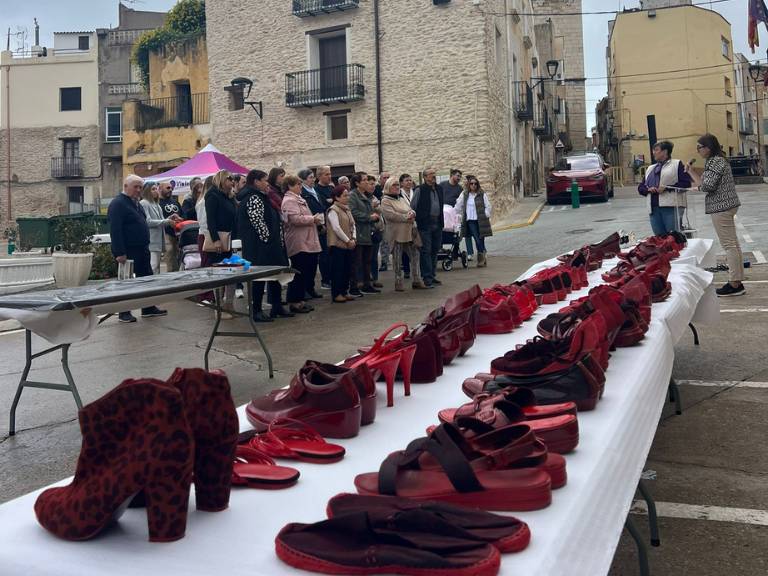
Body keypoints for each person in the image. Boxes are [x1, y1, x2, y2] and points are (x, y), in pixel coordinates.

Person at [687, 134, 746, 297]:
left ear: (708, 147)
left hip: (722, 207)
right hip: (726, 205)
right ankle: (737, 281)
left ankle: (735, 283)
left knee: (729, 245)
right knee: (733, 244)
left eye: (699, 147)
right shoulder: (715, 161)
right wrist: (691, 172)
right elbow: (703, 183)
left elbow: (707, 186)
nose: (698, 151)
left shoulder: (715, 162)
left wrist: (697, 189)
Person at [108, 175, 168, 323]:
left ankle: (148, 308)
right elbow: (115, 230)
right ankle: (124, 312)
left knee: (146, 279)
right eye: (136, 187)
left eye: (140, 187)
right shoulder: (118, 204)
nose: (139, 190)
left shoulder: (136, 203)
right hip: (128, 250)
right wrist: (119, 252)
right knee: (126, 283)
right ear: (126, 186)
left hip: (142, 248)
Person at [237, 169, 294, 321]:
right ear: (256, 182)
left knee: (274, 275)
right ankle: (256, 310)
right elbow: (258, 222)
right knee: (259, 279)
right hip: (260, 246)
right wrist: (268, 239)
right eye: (264, 180)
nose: (267, 183)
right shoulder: (253, 198)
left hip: (270, 244)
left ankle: (277, 306)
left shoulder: (262, 196)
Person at [282, 175, 322, 313]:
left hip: (306, 239)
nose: (300, 186)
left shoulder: (298, 199)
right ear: (290, 186)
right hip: (298, 241)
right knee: (298, 272)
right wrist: (313, 218)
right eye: (298, 184)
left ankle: (300, 299)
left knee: (305, 271)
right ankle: (294, 301)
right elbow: (294, 219)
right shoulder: (288, 201)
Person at [638, 140, 692, 236]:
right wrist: (648, 190)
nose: (653, 152)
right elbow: (641, 187)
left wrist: (667, 188)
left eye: (656, 150)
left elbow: (686, 183)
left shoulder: (676, 164)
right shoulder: (651, 168)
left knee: (674, 237)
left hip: (671, 207)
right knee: (659, 238)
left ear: (665, 151)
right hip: (653, 208)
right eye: (653, 150)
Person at [381, 176, 426, 291]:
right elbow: (390, 215)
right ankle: (398, 281)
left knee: (415, 255)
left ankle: (416, 279)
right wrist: (406, 217)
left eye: (397, 185)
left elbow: (409, 208)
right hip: (396, 233)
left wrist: (412, 213)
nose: (397, 187)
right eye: (394, 185)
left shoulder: (400, 197)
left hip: (409, 232)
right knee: (397, 258)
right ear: (388, 187)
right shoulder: (385, 200)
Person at [204, 170, 238, 316]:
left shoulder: (230, 196)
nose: (232, 182)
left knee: (233, 273)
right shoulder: (212, 195)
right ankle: (219, 307)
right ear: (222, 180)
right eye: (229, 179)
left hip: (232, 239)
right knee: (219, 274)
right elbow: (210, 219)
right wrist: (216, 239)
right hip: (220, 238)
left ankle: (229, 303)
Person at [299, 168, 330, 295]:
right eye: (310, 177)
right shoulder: (303, 193)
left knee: (320, 256)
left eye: (313, 177)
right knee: (310, 259)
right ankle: (306, 288)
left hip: (321, 223)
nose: (313, 180)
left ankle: (311, 288)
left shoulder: (314, 191)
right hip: (312, 226)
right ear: (303, 180)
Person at [348, 173, 380, 296]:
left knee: (367, 260)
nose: (367, 182)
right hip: (358, 232)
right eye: (365, 180)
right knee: (357, 261)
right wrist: (369, 217)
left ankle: (367, 284)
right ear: (357, 183)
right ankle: (354, 286)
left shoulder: (367, 195)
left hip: (367, 232)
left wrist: (374, 216)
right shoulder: (352, 196)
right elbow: (353, 212)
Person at [412, 168, 444, 287]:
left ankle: (432, 274)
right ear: (425, 177)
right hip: (425, 224)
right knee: (426, 251)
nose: (433, 176)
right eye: (430, 174)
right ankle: (427, 278)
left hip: (438, 223)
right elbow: (413, 206)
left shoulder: (439, 189)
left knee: (435, 250)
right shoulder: (419, 190)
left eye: (434, 174)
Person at [326, 185, 357, 303]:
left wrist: (353, 238)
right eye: (345, 195)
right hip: (338, 245)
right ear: (337, 198)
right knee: (338, 270)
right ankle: (337, 293)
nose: (347, 197)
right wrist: (347, 241)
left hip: (349, 244)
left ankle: (344, 291)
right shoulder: (333, 210)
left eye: (348, 195)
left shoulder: (347, 209)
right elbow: (336, 228)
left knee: (347, 269)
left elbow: (353, 224)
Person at [455, 175, 493, 268]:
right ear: (468, 185)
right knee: (477, 238)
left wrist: (486, 214)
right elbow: (458, 205)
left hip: (481, 220)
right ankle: (481, 258)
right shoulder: (464, 194)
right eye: (471, 183)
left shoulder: (481, 194)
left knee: (481, 239)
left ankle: (482, 257)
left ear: (477, 185)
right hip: (470, 220)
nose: (473, 185)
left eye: (475, 184)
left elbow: (488, 206)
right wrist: (456, 214)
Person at [140, 182, 175, 275]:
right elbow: (148, 222)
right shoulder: (144, 203)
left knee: (156, 267)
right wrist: (166, 221)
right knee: (153, 266)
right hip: (151, 241)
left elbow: (161, 221)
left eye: (156, 189)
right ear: (147, 191)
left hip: (158, 241)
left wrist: (170, 218)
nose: (156, 191)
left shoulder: (157, 205)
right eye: (153, 189)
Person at [158, 182, 182, 272]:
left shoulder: (175, 202)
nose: (170, 190)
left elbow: (183, 215)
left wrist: (180, 218)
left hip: (178, 233)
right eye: (168, 188)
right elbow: (158, 220)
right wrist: (168, 220)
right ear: (160, 189)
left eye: (171, 188)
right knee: (170, 255)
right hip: (166, 233)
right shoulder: (158, 203)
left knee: (178, 257)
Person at [372, 172, 391, 271]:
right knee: (383, 241)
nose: (387, 179)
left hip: (391, 218)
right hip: (379, 219)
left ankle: (387, 260)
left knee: (389, 241)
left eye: (388, 177)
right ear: (380, 180)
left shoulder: (393, 189)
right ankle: (383, 262)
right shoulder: (376, 190)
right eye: (384, 177)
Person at [399, 173, 416, 278]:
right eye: (406, 180)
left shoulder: (415, 192)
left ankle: (416, 270)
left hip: (415, 223)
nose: (409, 182)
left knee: (415, 247)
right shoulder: (399, 194)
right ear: (401, 183)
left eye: (410, 180)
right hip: (404, 222)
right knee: (405, 247)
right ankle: (406, 270)